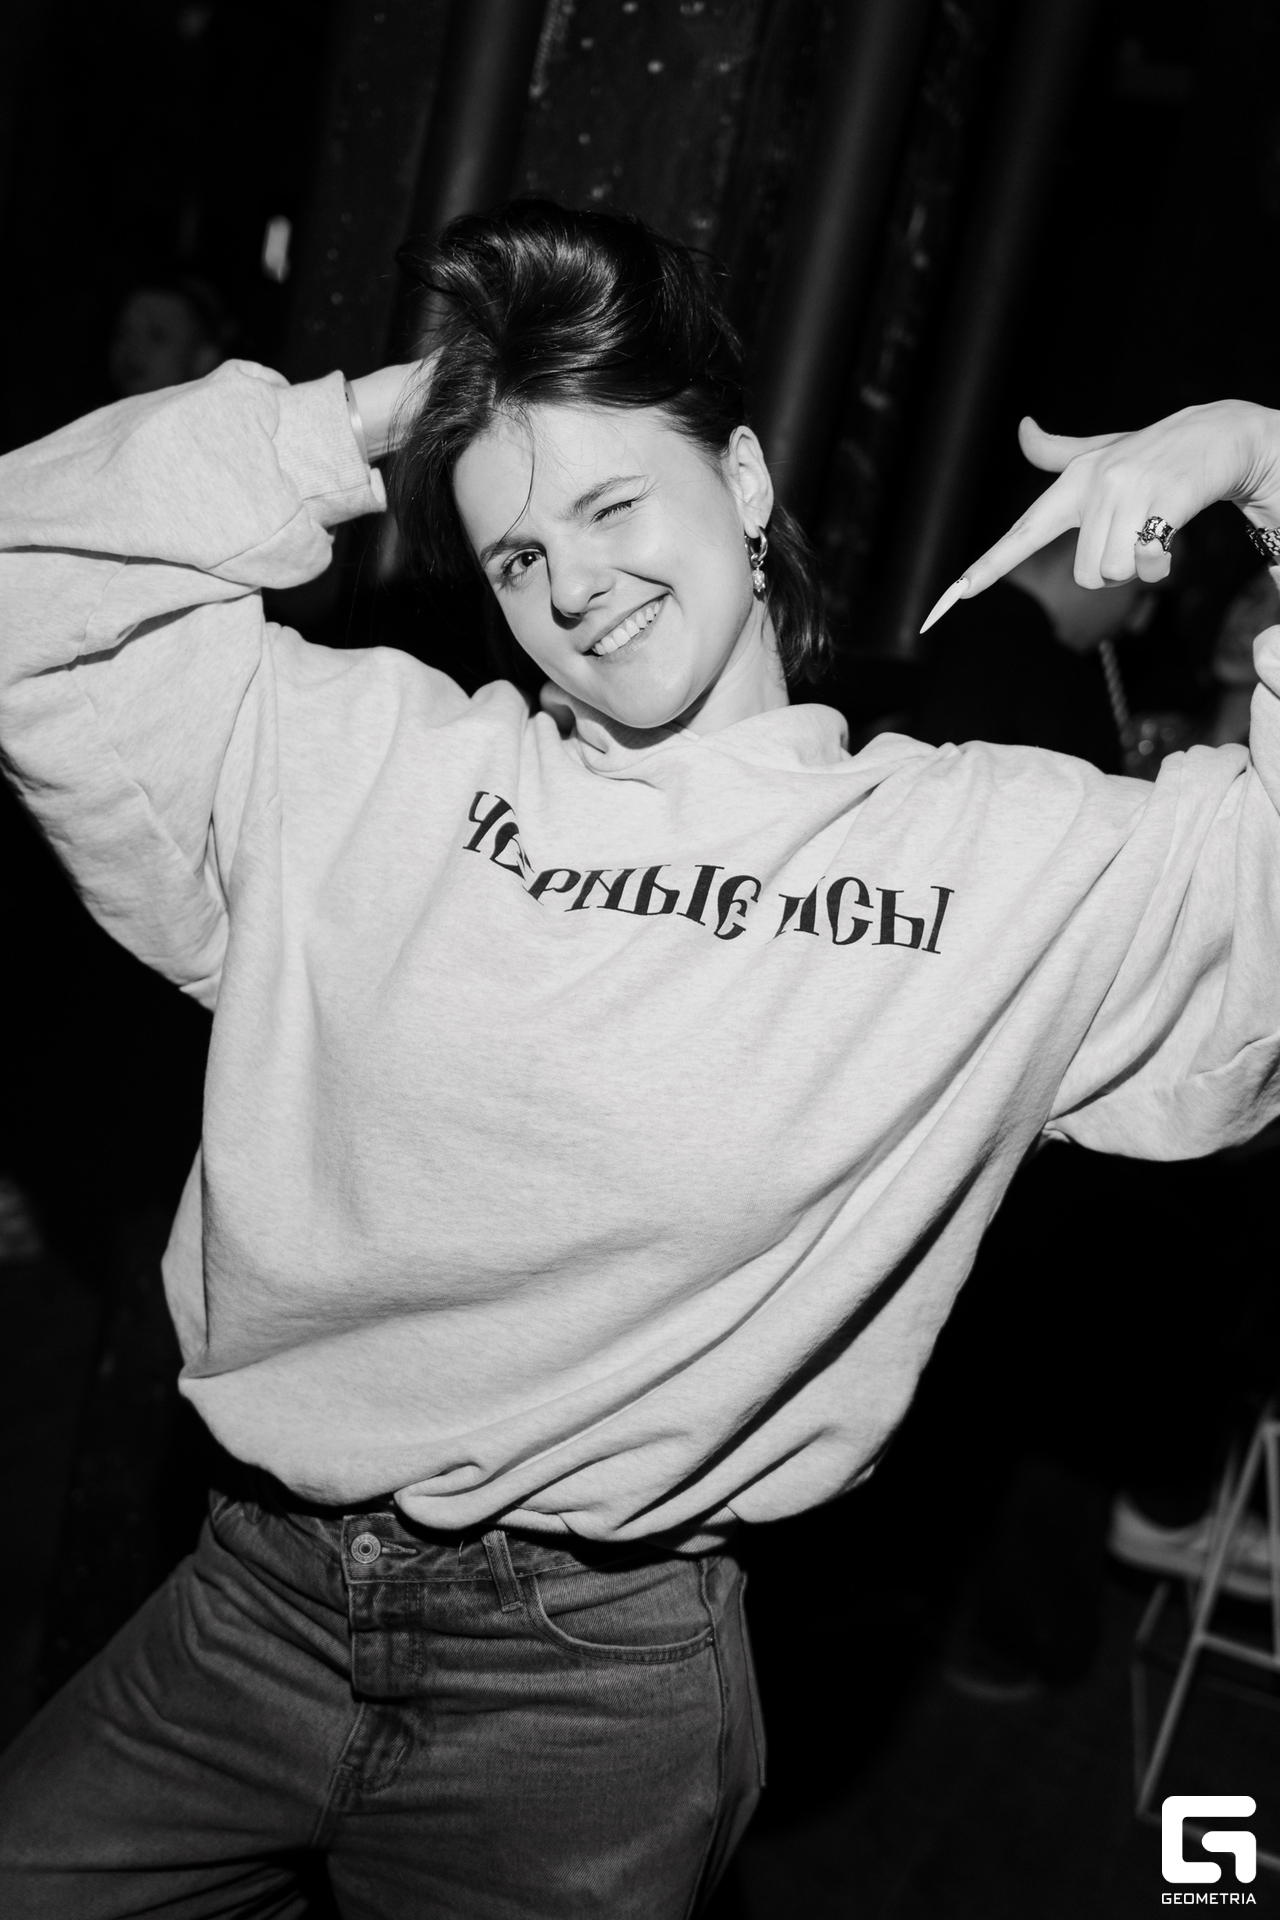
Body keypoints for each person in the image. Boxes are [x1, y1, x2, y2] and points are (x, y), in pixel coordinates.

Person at [0, 197, 1279, 1917]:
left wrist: (1260, 459)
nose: (576, 584)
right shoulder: (359, 761)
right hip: (246, 1606)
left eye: (613, 504)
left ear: (743, 481)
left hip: (584, 1696)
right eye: (517, 555)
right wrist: (371, 420)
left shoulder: (980, 859)